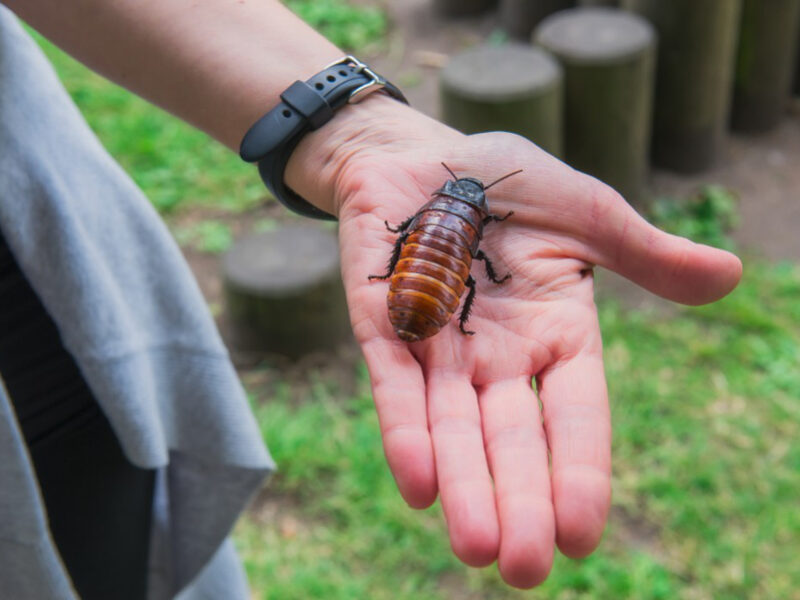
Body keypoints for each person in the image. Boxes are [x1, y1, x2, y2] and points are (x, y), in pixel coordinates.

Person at [0, 0, 742, 597]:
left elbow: (433, 241)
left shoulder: (432, 220)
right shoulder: (469, 231)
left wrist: (358, 133)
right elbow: (470, 255)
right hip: (423, 282)